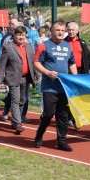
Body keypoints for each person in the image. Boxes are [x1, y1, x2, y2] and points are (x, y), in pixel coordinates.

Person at [34, 19, 77, 152]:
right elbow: (36, 62)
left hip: (64, 87)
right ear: (52, 31)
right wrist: (47, 72)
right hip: (49, 87)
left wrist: (75, 79)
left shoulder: (68, 46)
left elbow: (72, 63)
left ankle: (62, 141)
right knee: (48, 114)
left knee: (63, 115)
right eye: (57, 30)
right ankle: (39, 134)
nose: (60, 33)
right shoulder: (44, 45)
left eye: (62, 31)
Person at [0, 26, 38, 134]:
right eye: (19, 35)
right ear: (14, 35)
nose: (21, 37)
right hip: (13, 78)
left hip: (26, 78)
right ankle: (18, 123)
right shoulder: (8, 47)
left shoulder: (29, 46)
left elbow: (32, 62)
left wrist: (38, 75)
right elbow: (2, 65)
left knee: (23, 100)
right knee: (15, 100)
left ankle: (15, 121)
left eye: (23, 35)